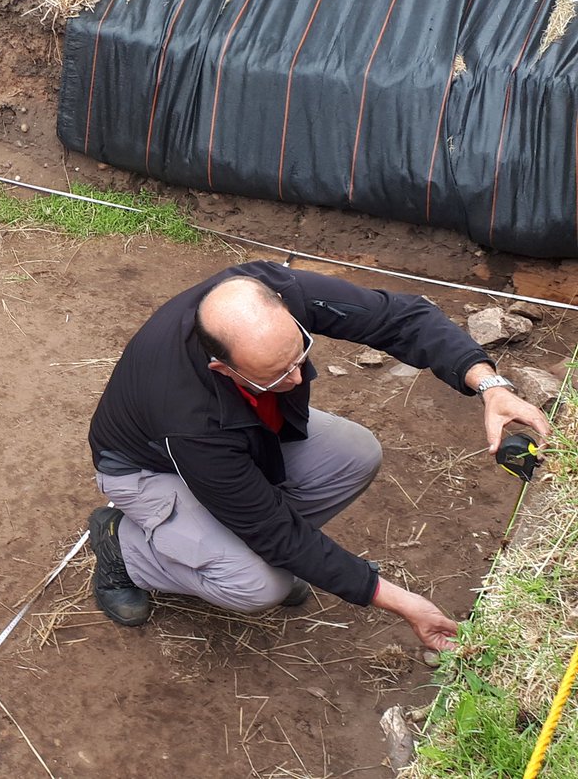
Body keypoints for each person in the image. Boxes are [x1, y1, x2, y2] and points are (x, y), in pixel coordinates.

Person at [86, 260, 549, 651]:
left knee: (355, 452)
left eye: (298, 358)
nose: (294, 380)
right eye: (273, 377)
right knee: (260, 585)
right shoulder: (188, 416)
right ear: (222, 368)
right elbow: (276, 533)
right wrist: (400, 601)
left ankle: (220, 541)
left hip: (242, 438)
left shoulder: (272, 290)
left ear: (285, 310)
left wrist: (489, 386)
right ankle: (122, 549)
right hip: (148, 467)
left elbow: (402, 319)